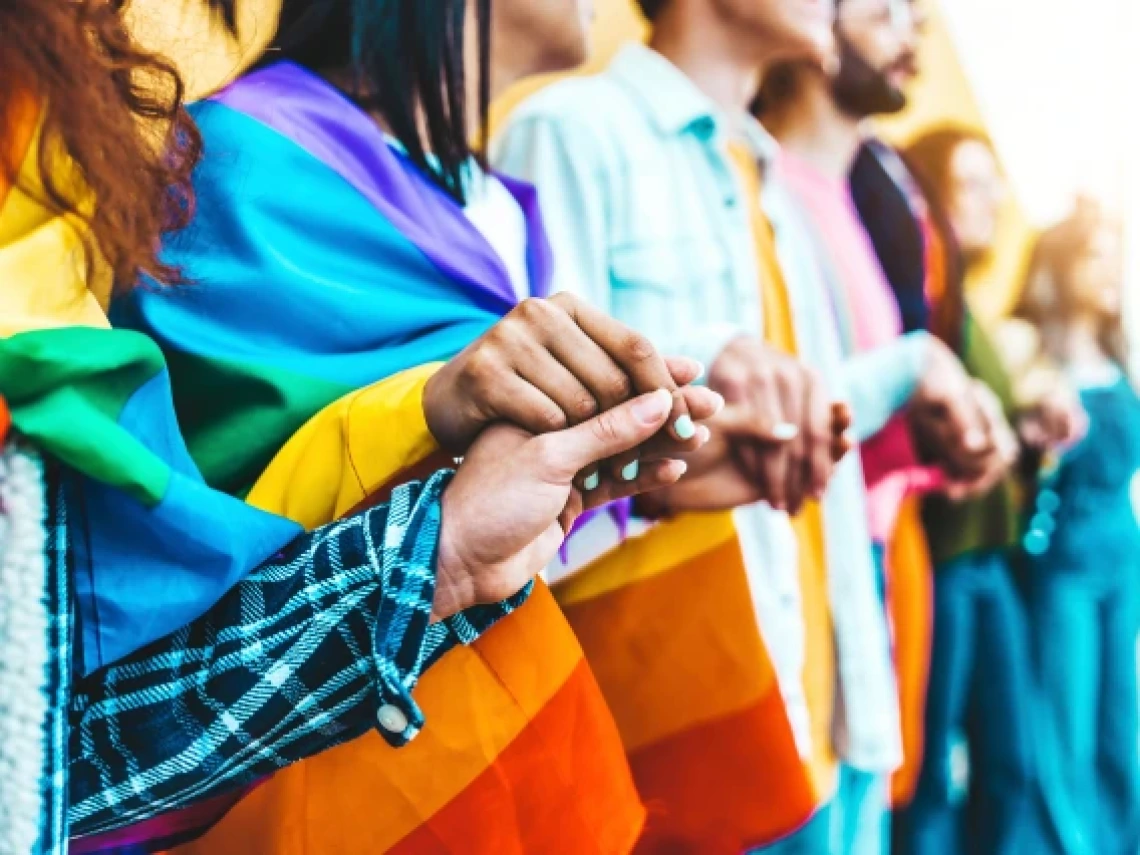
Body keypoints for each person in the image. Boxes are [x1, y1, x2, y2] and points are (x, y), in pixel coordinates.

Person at [0, 0, 720, 851]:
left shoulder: (499, 204)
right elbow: (162, 568)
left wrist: (651, 471)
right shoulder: (230, 163)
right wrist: (429, 430)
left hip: (459, 770)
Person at [493, 0, 1012, 850]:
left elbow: (802, 410)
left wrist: (921, 374)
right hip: (676, 745)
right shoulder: (571, 135)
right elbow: (538, 464)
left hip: (819, 707)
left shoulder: (773, 186)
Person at [752, 2, 1018, 849]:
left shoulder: (861, 208)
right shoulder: (767, 192)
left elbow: (846, 420)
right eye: (884, 10)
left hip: (864, 559)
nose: (914, 35)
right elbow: (770, 419)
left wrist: (943, 447)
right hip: (790, 578)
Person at [1007, 205, 1140, 855]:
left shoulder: (1120, 353)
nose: (1109, 265)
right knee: (1066, 730)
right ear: (1060, 265)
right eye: (1093, 252)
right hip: (1066, 559)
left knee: (1122, 726)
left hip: (1124, 557)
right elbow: (1023, 462)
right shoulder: (1030, 353)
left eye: (1113, 250)